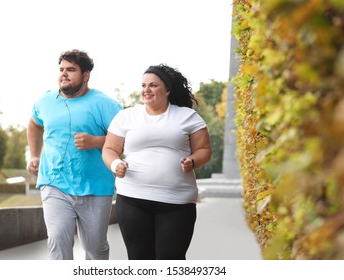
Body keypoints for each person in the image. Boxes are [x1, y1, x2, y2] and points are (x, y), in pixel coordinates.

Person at [102, 64, 212, 260]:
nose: (146, 90)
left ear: (167, 90)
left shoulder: (187, 116)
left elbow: (204, 150)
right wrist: (115, 164)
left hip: (177, 202)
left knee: (171, 260)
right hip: (132, 199)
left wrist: (192, 161)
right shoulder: (126, 116)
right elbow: (109, 149)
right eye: (144, 85)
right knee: (139, 260)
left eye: (153, 85)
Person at [26, 49, 122, 260]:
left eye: (71, 70)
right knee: (58, 238)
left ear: (86, 75)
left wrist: (96, 141)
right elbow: (34, 124)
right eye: (61, 69)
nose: (64, 74)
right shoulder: (45, 102)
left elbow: (126, 138)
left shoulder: (106, 105)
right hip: (54, 182)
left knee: (95, 248)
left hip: (95, 186)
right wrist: (34, 155)